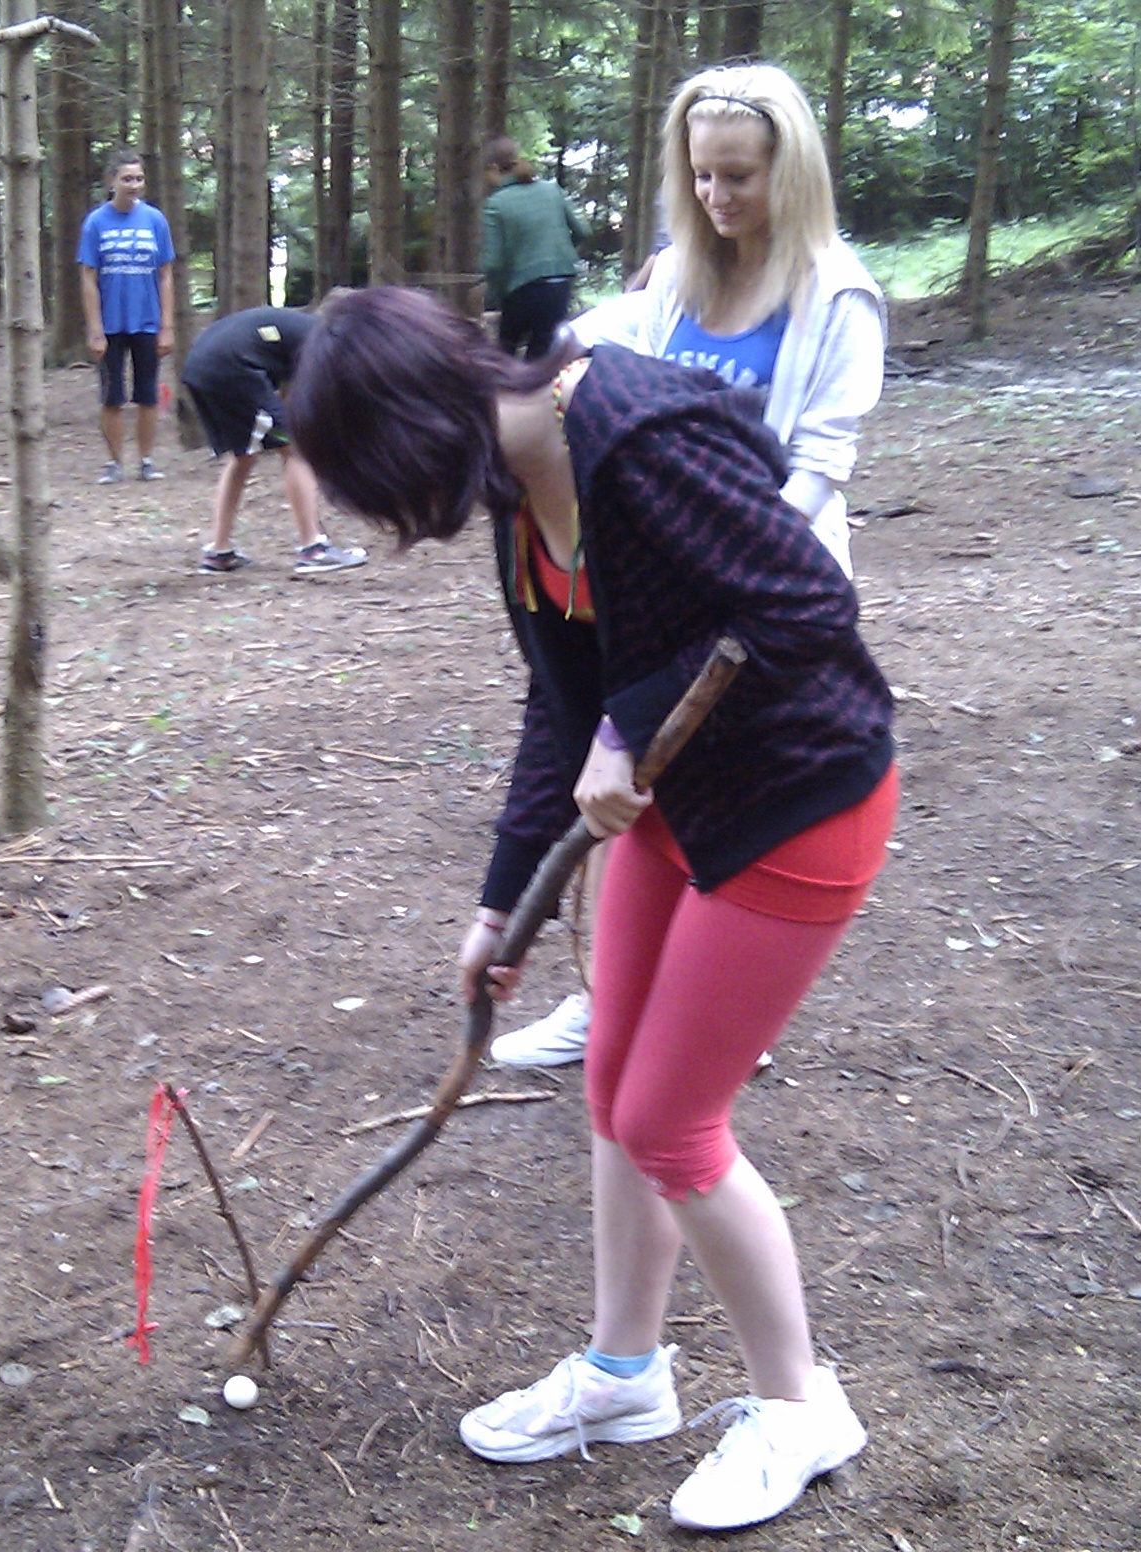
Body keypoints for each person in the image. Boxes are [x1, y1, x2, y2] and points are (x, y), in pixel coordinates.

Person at [286, 286, 898, 1532]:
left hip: (796, 796)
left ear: (414, 431)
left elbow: (805, 604)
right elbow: (558, 706)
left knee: (671, 1121)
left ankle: (800, 1408)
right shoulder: (520, 488)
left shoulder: (637, 435)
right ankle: (626, 1376)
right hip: (674, 802)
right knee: (614, 1086)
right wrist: (498, 904)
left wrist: (633, 722)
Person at [503, 60, 886, 1069]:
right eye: (702, 176)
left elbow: (820, 467)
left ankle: (709, 1017)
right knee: (626, 795)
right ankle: (608, 1000)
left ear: (788, 173)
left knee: (735, 799)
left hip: (769, 594)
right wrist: (511, 372)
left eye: (739, 176)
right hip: (660, 598)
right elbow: (588, 352)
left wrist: (732, 556)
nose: (717, 196)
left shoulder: (837, 297)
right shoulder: (677, 277)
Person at [177, 305, 366, 576]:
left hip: (200, 366)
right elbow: (304, 402)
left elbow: (290, 396)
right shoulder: (322, 341)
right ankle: (313, 549)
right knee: (296, 450)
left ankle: (219, 551)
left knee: (244, 455)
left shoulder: (301, 331)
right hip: (231, 367)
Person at [76, 148, 175, 484]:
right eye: (127, 179)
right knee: (112, 396)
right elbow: (88, 277)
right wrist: (95, 329)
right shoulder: (96, 222)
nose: (134, 185)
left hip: (147, 321)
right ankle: (114, 463)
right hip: (110, 324)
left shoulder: (155, 220)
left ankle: (146, 461)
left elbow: (165, 275)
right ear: (111, 181)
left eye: (139, 179)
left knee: (147, 394)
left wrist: (167, 326)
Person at [481, 136, 590, 360]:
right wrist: (561, 256)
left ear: (493, 168)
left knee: (505, 354)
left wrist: (493, 300)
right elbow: (583, 231)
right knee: (541, 356)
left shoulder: (496, 204)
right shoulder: (552, 190)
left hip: (522, 291)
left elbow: (494, 264)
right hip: (560, 287)